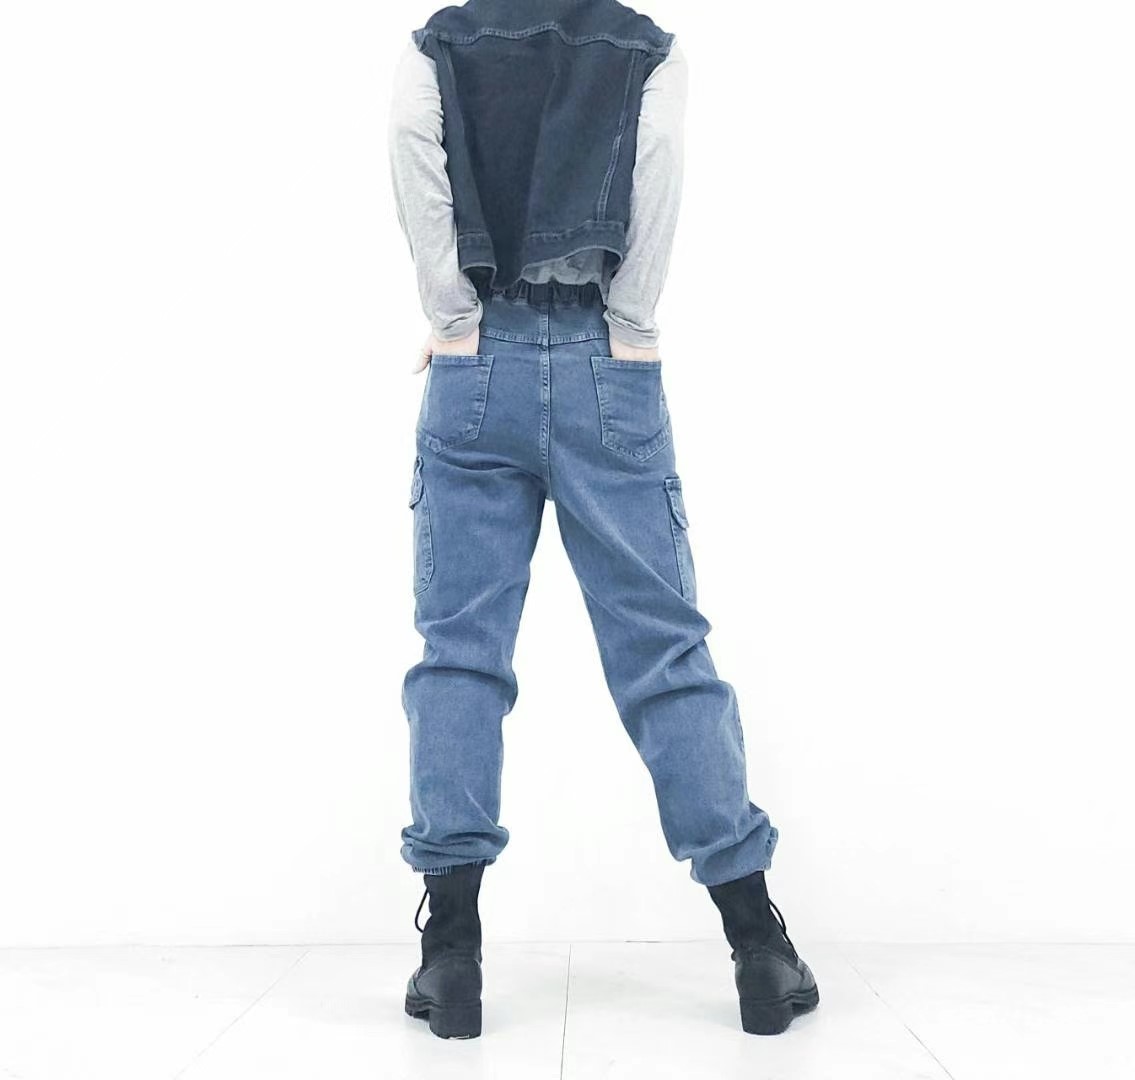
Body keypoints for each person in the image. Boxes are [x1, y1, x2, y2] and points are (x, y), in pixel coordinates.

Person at [388, 0, 818, 1040]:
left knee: (459, 656)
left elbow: (412, 152)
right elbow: (656, 170)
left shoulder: (438, 42)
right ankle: (757, 945)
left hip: (475, 365)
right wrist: (629, 322)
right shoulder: (647, 48)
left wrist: (453, 317)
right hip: (602, 363)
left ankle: (452, 956)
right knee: (664, 651)